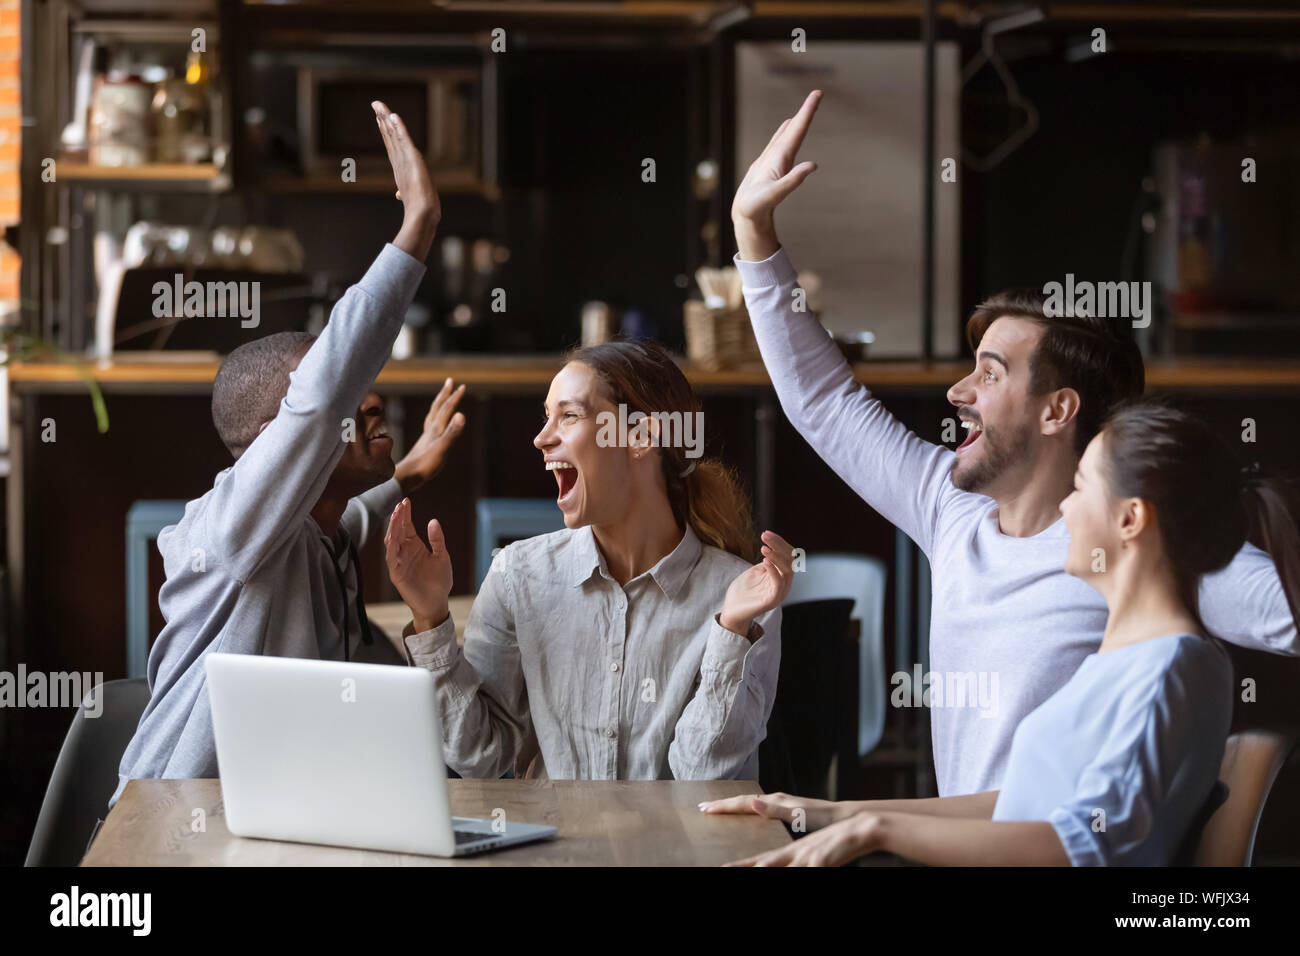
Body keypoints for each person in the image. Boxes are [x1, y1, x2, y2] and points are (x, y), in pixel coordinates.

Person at [726, 89, 1298, 800]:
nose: (957, 393)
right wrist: (754, 235)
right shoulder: (949, 507)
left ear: (1059, 409)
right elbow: (825, 403)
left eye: (989, 375)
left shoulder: (1140, 546)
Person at [705, 400, 1300, 866]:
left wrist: (875, 830)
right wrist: (831, 812)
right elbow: (1026, 809)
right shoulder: (1145, 661)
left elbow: (1085, 849)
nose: (1065, 507)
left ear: (1129, 519)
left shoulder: (1167, 670)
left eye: (1082, 486)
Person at [113, 101, 464, 806]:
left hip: (270, 818)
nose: (371, 405)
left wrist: (413, 469)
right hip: (169, 832)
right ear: (286, 443)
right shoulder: (236, 526)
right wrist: (416, 227)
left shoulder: (312, 526)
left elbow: (354, 518)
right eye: (345, 404)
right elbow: (322, 396)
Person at [384, 340, 792, 780]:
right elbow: (485, 757)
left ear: (640, 437)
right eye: (547, 417)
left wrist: (731, 633)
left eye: (570, 415)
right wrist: (430, 617)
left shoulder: (740, 599)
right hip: (552, 848)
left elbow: (702, 777)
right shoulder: (516, 574)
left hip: (677, 850)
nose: (541, 438)